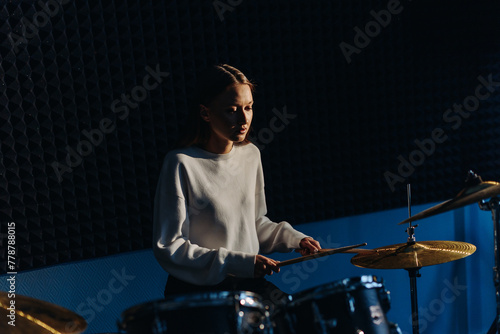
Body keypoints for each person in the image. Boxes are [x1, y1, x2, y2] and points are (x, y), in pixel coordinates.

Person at [152, 64, 321, 308]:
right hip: (199, 295)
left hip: (247, 285)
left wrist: (295, 239)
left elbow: (253, 224)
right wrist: (236, 263)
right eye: (232, 110)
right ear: (205, 113)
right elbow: (170, 246)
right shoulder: (181, 163)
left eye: (249, 108)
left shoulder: (250, 155)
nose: (244, 119)